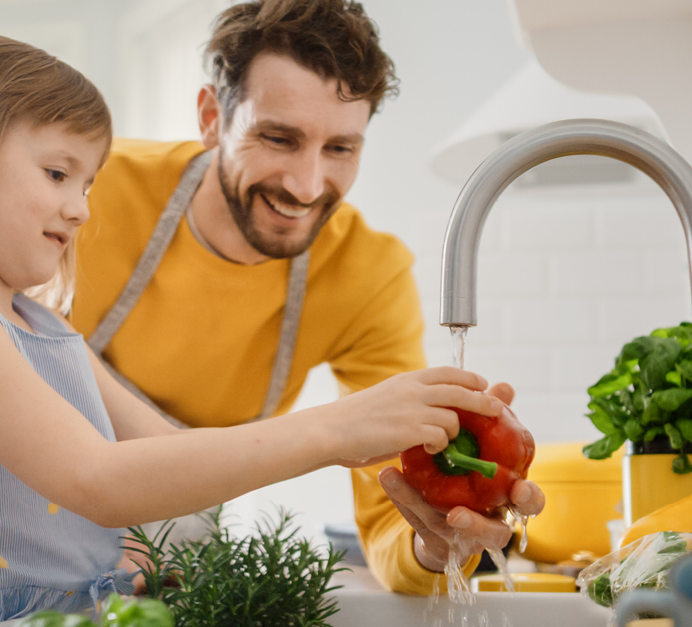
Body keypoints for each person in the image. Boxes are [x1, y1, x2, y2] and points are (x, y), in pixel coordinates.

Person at [0, 33, 503, 626]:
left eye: (87, 182)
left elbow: (170, 463)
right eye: (57, 174)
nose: (81, 209)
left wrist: (408, 443)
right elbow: (99, 479)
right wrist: (334, 430)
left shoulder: (39, 324)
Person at [70, 0, 545, 595]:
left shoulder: (367, 274)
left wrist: (435, 543)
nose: (306, 184)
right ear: (213, 116)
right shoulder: (95, 188)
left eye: (340, 149)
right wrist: (336, 430)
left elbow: (387, 518)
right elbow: (13, 350)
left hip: (166, 575)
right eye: (279, 138)